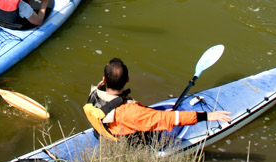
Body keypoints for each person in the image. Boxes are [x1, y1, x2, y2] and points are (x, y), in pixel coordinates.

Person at [84, 58, 232, 140]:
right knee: (167, 124)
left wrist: (150, 112)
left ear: (104, 80)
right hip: (127, 141)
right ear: (128, 79)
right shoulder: (130, 111)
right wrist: (207, 115)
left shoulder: (95, 93)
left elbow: (135, 114)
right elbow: (170, 120)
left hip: (103, 134)